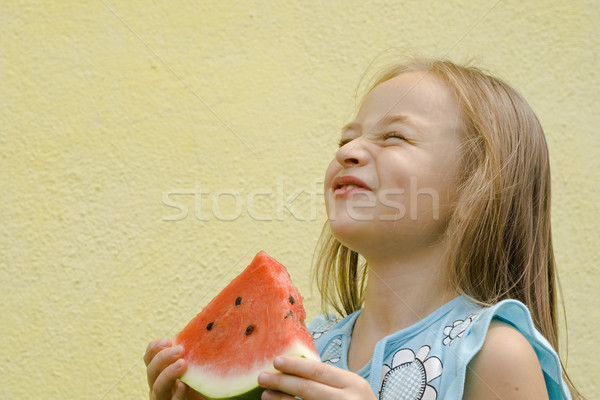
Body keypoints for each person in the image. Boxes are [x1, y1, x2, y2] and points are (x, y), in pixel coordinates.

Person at [144, 59, 582, 400]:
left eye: (394, 136)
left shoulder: (491, 353)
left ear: (477, 190)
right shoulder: (312, 347)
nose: (350, 150)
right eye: (345, 139)